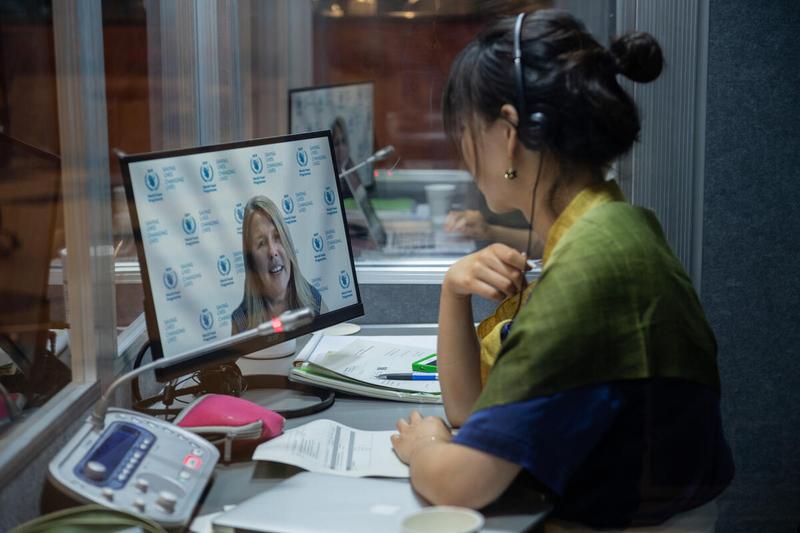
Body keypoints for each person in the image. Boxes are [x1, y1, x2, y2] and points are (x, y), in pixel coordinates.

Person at [390, 9, 734, 530]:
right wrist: (452, 292)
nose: (462, 151)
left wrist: (426, 447)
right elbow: (475, 411)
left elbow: (461, 484)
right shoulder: (611, 225)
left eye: (465, 130)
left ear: (507, 133)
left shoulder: (591, 266)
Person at [231, 196, 327, 334]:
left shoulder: (314, 300)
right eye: (261, 243)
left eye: (277, 237)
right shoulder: (241, 322)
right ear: (252, 261)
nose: (272, 251)